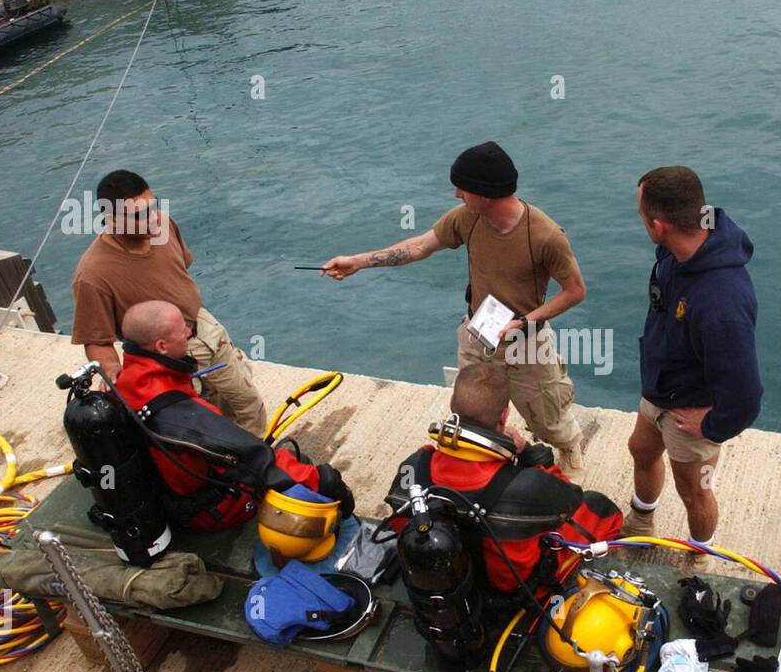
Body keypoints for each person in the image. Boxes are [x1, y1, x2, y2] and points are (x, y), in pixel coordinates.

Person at [322, 142, 589, 481]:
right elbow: (419, 246)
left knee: (548, 420)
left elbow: (575, 291)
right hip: (478, 332)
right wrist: (357, 262)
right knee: (473, 414)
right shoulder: (467, 219)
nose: (456, 194)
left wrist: (525, 321)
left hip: (526, 341)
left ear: (486, 194)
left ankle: (569, 446)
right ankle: (492, 455)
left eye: (463, 187)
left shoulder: (546, 236)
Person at [385, 363, 621, 601]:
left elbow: (401, 526)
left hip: (443, 583)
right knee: (600, 508)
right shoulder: (528, 485)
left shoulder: (415, 465)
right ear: (505, 415)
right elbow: (570, 499)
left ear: (451, 406)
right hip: (509, 595)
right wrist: (530, 455)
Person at [114, 301, 352, 531]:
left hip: (163, 494)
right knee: (300, 466)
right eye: (182, 330)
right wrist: (325, 482)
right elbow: (255, 459)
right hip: (209, 512)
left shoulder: (124, 383)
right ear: (161, 346)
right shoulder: (182, 413)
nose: (189, 332)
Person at [70, 169, 267, 435]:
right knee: (200, 422)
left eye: (154, 207)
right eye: (140, 215)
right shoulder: (92, 275)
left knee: (246, 402)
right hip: (166, 357)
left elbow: (180, 267)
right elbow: (96, 340)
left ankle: (258, 459)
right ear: (112, 220)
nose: (153, 219)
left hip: (205, 329)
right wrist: (113, 371)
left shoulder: (165, 225)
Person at [624, 166, 762, 545]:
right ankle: (641, 519)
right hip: (659, 388)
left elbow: (747, 394)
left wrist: (713, 426)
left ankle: (701, 553)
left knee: (694, 492)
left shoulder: (722, 301)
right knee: (640, 448)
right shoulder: (675, 253)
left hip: (688, 409)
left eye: (641, 215)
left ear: (659, 225)